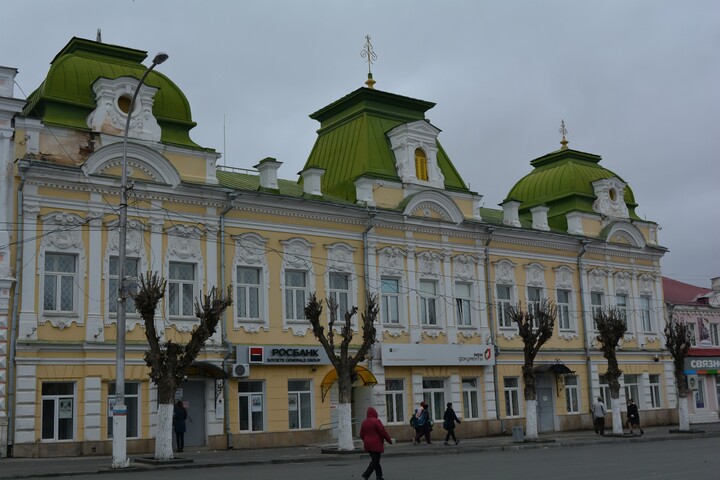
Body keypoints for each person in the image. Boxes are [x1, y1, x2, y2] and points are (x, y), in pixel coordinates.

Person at [359, 406, 392, 480]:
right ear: (374, 413)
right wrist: (389, 440)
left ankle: (379, 476)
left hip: (367, 445)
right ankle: (366, 474)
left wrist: (366, 440)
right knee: (375, 461)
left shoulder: (364, 422)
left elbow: (361, 435)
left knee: (376, 461)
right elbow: (383, 432)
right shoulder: (376, 421)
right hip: (376, 444)